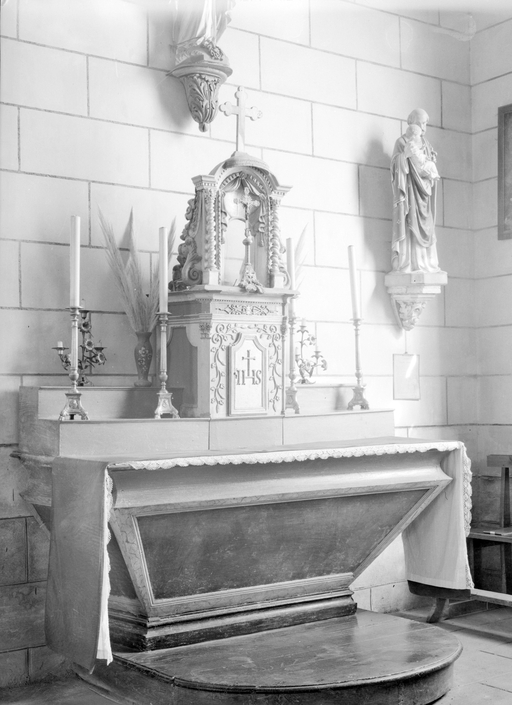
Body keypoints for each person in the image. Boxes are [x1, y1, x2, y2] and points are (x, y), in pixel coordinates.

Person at [390, 109, 441, 273]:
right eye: (421, 123)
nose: (424, 127)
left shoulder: (427, 144)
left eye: (425, 124)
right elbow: (395, 165)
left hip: (424, 194)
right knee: (409, 220)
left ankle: (427, 263)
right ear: (412, 123)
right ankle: (411, 263)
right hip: (410, 192)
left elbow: (429, 165)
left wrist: (429, 169)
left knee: (427, 223)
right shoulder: (401, 142)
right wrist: (404, 156)